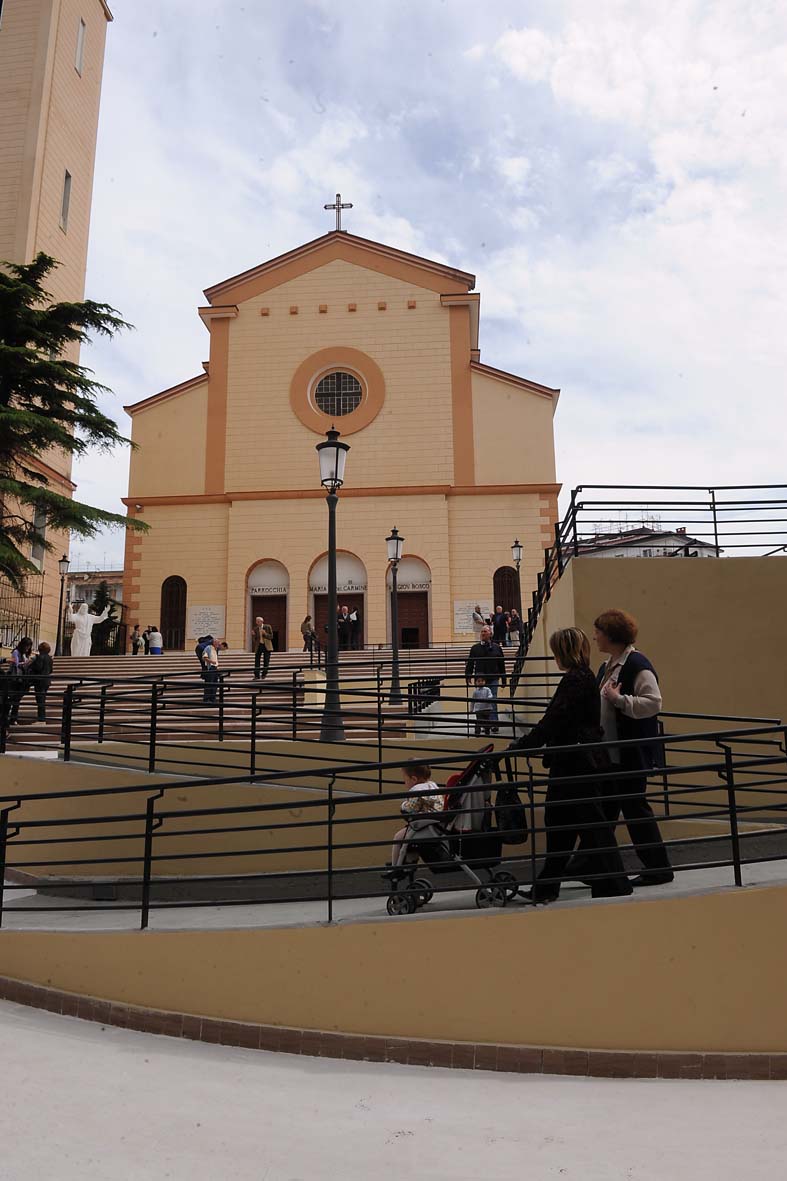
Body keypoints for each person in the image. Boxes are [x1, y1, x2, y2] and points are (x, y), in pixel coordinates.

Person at [509, 627, 633, 903]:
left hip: (576, 765)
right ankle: (552, 887)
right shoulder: (582, 678)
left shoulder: (575, 680)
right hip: (579, 762)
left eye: (555, 651)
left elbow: (553, 720)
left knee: (577, 826)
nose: (554, 657)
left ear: (562, 652)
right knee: (568, 826)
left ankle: (608, 883)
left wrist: (525, 744)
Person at [591, 608, 673, 886]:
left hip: (629, 753)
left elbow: (654, 702)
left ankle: (659, 868)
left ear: (611, 636)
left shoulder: (637, 664)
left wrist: (620, 699)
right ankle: (591, 865)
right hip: (612, 755)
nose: (595, 637)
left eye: (598, 632)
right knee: (607, 811)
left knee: (634, 809)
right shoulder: (607, 666)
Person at [386, 761, 444, 872]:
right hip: (436, 824)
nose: (404, 782)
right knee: (412, 841)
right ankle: (410, 862)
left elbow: (410, 808)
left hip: (423, 825)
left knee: (398, 838)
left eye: (405, 779)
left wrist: (403, 805)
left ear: (413, 779)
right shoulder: (432, 786)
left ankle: (395, 868)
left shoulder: (417, 791)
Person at [464, 626, 506, 730]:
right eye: (482, 631)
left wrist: (504, 678)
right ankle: (484, 724)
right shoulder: (475, 648)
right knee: (480, 702)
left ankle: (494, 723)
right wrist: (468, 675)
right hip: (480, 679)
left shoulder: (496, 647)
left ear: (490, 633)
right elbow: (470, 662)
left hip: (493, 677)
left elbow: (501, 664)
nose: (483, 633)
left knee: (493, 700)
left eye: (485, 631)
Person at [6, 636, 33, 724]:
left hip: (22, 679)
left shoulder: (25, 654)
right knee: (12, 699)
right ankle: (9, 718)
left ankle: (13, 718)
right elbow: (15, 664)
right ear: (23, 645)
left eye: (29, 646)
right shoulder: (16, 652)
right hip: (14, 679)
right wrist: (25, 663)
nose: (27, 648)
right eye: (26, 646)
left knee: (17, 700)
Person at [26, 641, 53, 723]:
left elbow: (38, 668)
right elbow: (51, 670)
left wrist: (31, 664)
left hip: (39, 681)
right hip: (47, 681)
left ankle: (41, 718)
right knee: (42, 699)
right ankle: (41, 717)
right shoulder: (50, 658)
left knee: (40, 700)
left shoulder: (40, 657)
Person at [201, 638, 228, 704]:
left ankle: (213, 698)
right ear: (214, 643)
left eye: (218, 643)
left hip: (215, 668)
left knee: (214, 684)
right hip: (210, 668)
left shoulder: (215, 650)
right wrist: (212, 662)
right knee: (209, 683)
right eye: (217, 643)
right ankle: (207, 699)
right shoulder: (208, 648)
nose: (218, 644)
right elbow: (204, 657)